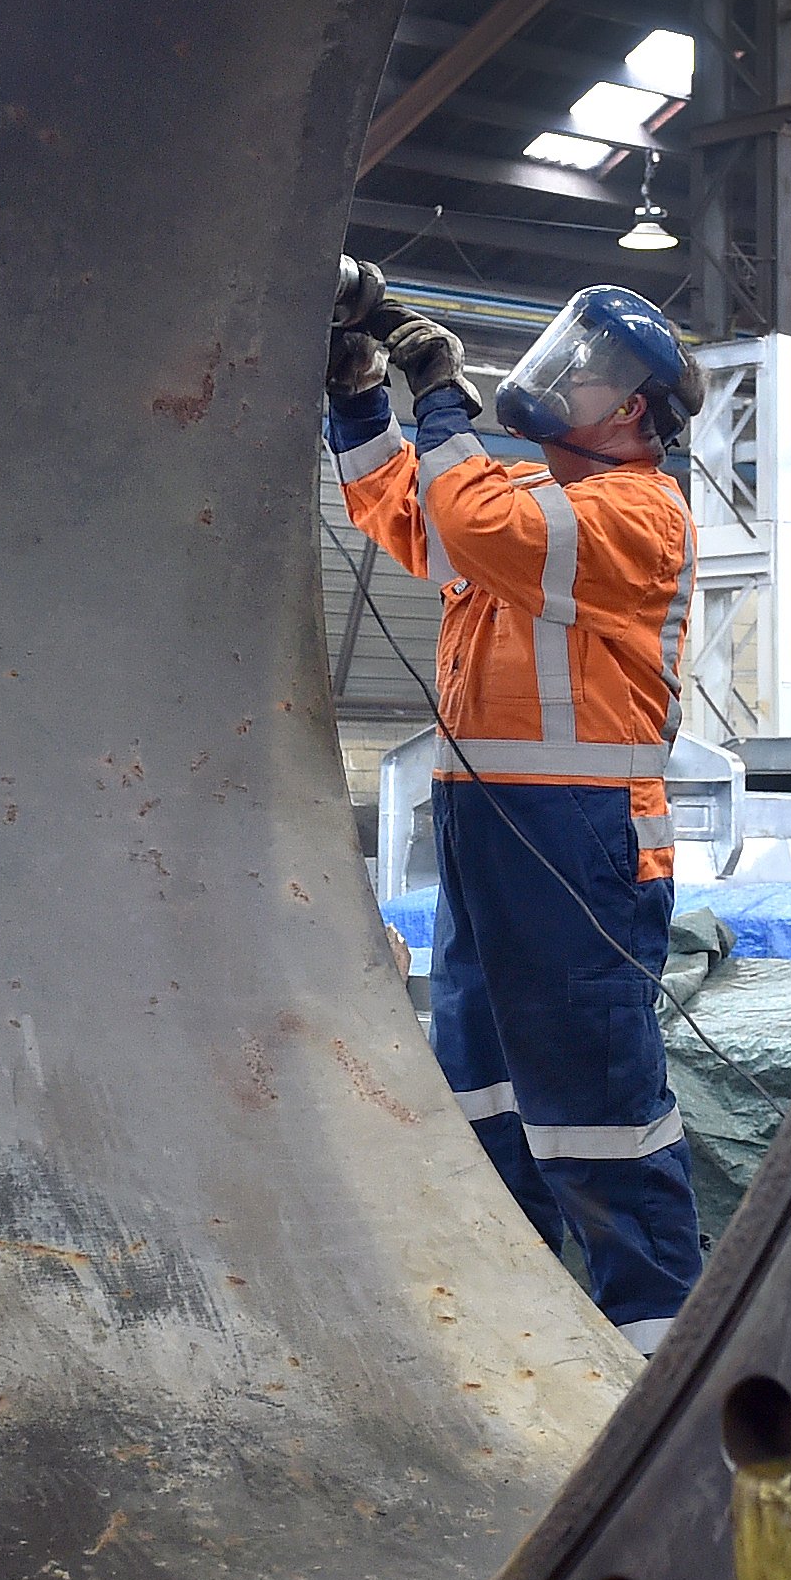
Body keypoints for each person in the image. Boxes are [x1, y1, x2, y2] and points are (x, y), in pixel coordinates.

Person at [327, 278, 707, 1351]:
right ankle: (524, 1318)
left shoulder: (636, 516)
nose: (561, 376)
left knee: (600, 1112)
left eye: (587, 370)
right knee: (484, 1090)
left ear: (632, 408)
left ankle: (655, 1346)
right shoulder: (534, 514)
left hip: (577, 844)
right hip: (494, 839)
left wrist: (438, 394)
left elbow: (472, 513)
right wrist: (361, 402)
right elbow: (414, 514)